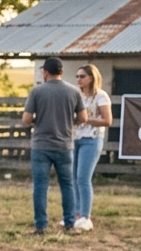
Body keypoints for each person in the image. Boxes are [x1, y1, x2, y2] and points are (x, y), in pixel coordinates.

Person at [23, 57, 87, 235]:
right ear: (62, 72)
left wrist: (39, 120)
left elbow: (26, 119)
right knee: (67, 185)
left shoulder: (37, 91)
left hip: (41, 145)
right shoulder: (74, 91)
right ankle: (69, 223)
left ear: (45, 72)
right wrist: (68, 122)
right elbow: (83, 118)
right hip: (64, 144)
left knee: (40, 186)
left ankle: (41, 225)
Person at [71, 64, 112, 232]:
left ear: (91, 78)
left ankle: (85, 215)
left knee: (83, 177)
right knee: (72, 177)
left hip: (92, 138)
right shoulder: (76, 95)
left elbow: (107, 120)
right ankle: (75, 214)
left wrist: (86, 119)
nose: (79, 79)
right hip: (75, 138)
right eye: (77, 76)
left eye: (82, 76)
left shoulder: (101, 96)